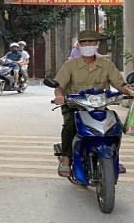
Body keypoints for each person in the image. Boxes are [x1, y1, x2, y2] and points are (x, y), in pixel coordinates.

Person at [52, 29, 133, 177]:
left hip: (99, 106)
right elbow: (59, 86)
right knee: (70, 124)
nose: (87, 44)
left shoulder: (106, 64)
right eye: (84, 42)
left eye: (91, 42)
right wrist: (59, 97)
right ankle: (65, 159)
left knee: (115, 124)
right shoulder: (70, 65)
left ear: (97, 44)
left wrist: (130, 93)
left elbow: (120, 84)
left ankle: (113, 156)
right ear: (79, 46)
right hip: (75, 106)